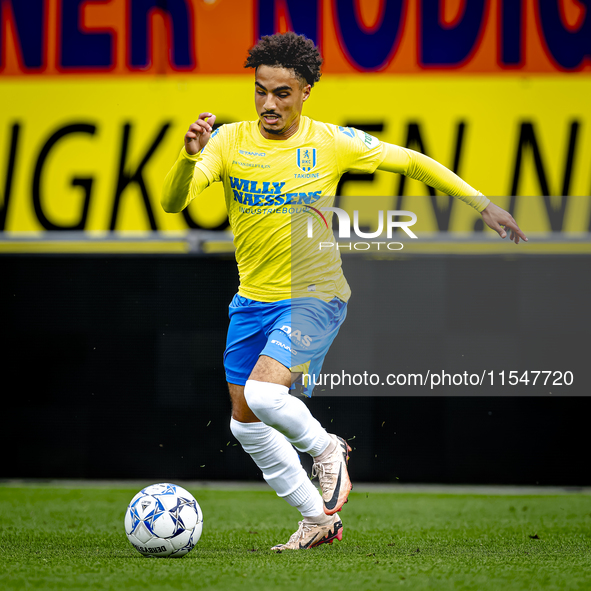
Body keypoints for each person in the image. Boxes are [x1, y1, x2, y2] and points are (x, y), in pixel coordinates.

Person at [161, 32, 526, 552]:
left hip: (316, 294)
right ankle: (317, 518)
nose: (269, 103)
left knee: (267, 396)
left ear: (307, 91)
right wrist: (186, 155)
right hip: (251, 300)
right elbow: (174, 203)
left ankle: (329, 448)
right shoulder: (226, 141)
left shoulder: (331, 141)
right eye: (261, 91)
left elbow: (413, 162)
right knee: (245, 425)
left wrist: (482, 204)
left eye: (282, 93)